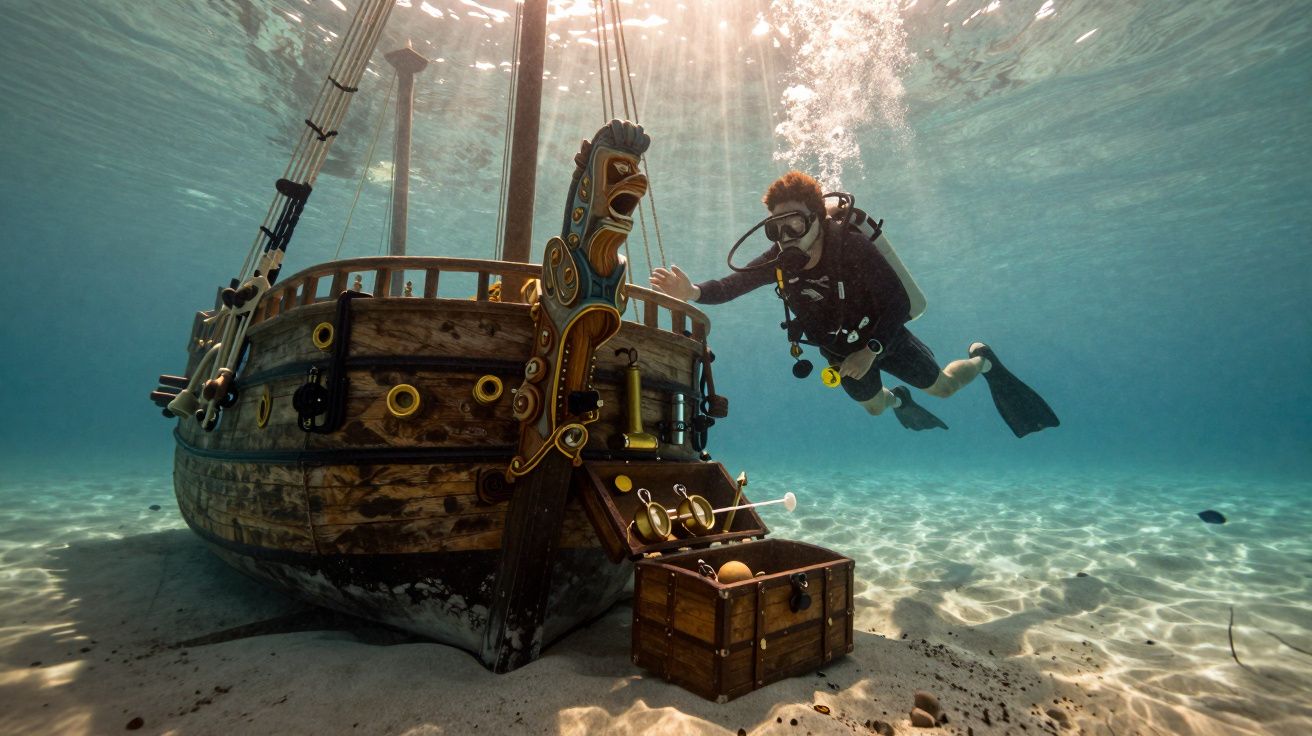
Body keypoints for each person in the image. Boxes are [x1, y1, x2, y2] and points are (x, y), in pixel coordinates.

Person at [649, 171, 1058, 436]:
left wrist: (872, 349)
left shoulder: (851, 247)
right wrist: (694, 293)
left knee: (945, 389)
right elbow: (731, 285)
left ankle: (983, 360)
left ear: (817, 219)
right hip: (840, 353)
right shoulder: (779, 260)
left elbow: (899, 302)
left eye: (794, 223)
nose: (786, 236)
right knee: (877, 409)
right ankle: (899, 400)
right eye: (776, 227)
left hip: (885, 337)